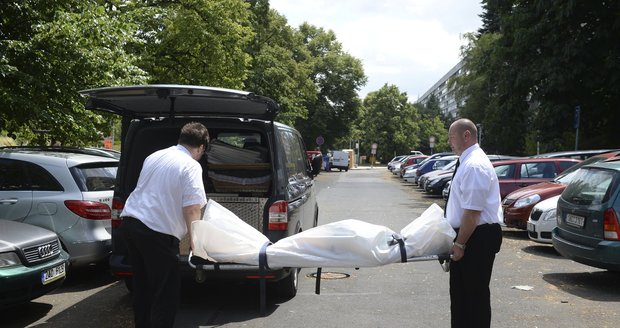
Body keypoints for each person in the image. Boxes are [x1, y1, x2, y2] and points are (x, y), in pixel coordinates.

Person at [120, 122, 210, 328]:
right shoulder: (191, 165)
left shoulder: (155, 156)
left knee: (142, 288)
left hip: (132, 224)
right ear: (201, 148)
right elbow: (191, 209)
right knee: (165, 293)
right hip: (156, 233)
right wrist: (196, 243)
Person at [445, 118, 503, 328]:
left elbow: (472, 213)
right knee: (461, 298)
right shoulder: (467, 162)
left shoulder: (474, 165)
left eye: (452, 137)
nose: (449, 141)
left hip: (476, 238)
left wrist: (460, 244)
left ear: (466, 136)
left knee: (473, 298)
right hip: (471, 235)